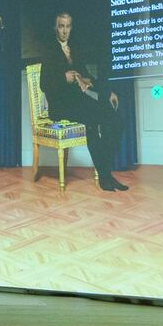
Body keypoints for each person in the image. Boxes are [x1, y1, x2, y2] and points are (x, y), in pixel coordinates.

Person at [38, 11, 129, 192]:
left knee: (116, 118)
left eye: (68, 26)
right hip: (61, 106)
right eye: (61, 26)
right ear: (55, 28)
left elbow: (87, 77)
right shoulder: (49, 50)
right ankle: (105, 178)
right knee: (93, 121)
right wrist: (64, 78)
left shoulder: (74, 49)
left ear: (71, 28)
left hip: (78, 102)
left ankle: (106, 173)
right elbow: (43, 84)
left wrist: (107, 91)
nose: (65, 31)